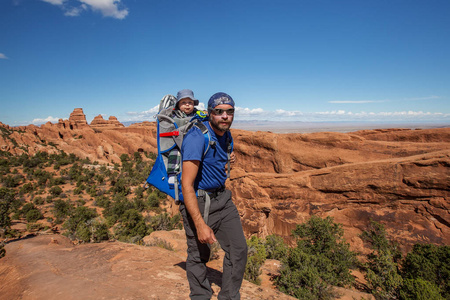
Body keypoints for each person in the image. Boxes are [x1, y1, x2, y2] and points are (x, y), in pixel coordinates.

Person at [180, 92, 247, 300]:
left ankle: (228, 296)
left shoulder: (226, 134)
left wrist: (229, 157)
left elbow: (220, 159)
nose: (225, 116)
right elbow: (186, 184)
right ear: (210, 113)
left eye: (229, 112)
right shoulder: (196, 137)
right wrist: (199, 224)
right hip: (199, 201)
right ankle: (200, 296)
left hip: (223, 199)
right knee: (199, 255)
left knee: (238, 250)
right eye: (219, 112)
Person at [166, 89, 204, 179]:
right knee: (174, 153)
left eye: (190, 102)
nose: (187, 104)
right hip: (178, 142)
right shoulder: (174, 115)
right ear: (178, 105)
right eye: (183, 102)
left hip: (194, 142)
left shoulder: (198, 115)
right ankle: (172, 174)